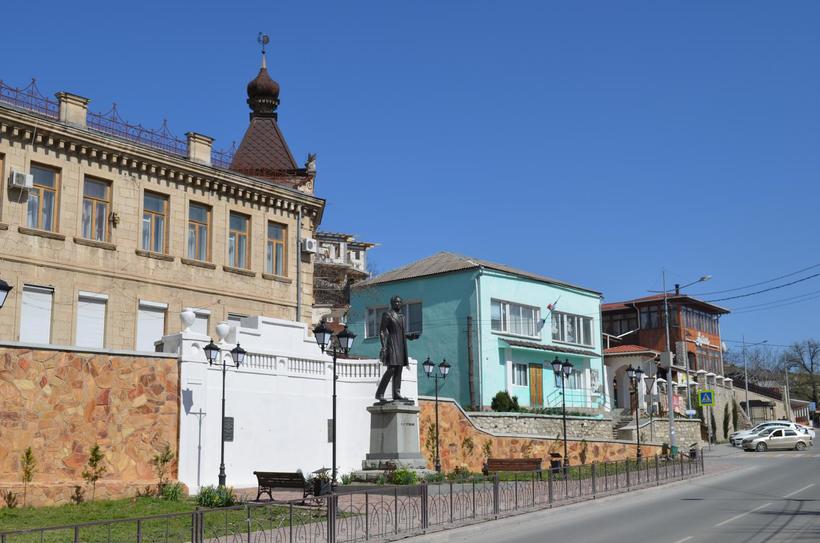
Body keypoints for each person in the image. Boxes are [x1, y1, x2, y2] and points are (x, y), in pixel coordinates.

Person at [375, 295, 420, 403]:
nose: (398, 304)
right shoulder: (387, 314)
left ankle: (396, 393)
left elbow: (402, 333)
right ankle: (379, 393)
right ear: (391, 303)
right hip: (391, 343)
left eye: (399, 302)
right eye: (395, 302)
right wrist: (384, 346)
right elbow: (382, 331)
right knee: (391, 369)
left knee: (399, 369)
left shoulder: (402, 316)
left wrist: (410, 336)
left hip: (401, 344)